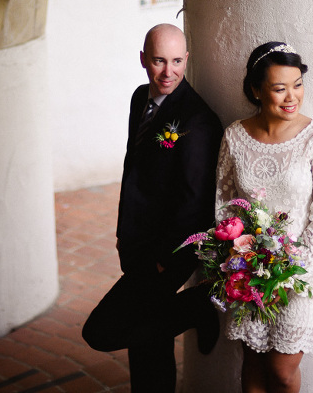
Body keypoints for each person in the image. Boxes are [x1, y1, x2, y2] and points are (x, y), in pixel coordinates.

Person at [82, 23, 223, 392]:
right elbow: (136, 174)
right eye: (159, 60)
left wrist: (165, 259)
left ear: (186, 59)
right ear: (144, 59)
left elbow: (194, 201)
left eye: (177, 61)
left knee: (101, 330)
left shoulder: (198, 121)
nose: (168, 71)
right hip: (135, 244)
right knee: (147, 341)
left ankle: (197, 307)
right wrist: (124, 234)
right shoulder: (138, 99)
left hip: (165, 253)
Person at [215, 41, 313, 393]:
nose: (292, 96)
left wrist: (287, 273)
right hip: (247, 271)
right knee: (252, 362)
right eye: (279, 88)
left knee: (283, 371)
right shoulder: (235, 136)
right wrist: (242, 262)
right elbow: (226, 205)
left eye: (298, 84)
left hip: (301, 274)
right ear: (256, 90)